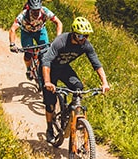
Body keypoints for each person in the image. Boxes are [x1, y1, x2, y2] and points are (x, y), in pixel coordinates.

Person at [40, 16, 111, 144]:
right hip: (49, 69)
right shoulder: (60, 42)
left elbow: (96, 64)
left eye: (86, 36)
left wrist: (104, 82)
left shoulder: (85, 45)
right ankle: (50, 129)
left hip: (63, 68)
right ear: (73, 33)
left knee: (78, 87)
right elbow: (46, 61)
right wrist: (47, 82)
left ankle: (72, 113)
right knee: (50, 102)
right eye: (80, 36)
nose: (83, 39)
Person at [8, 0, 63, 80]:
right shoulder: (23, 15)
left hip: (40, 31)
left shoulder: (45, 11)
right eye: (33, 10)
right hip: (26, 33)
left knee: (46, 52)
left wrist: (58, 38)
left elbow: (59, 23)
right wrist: (12, 44)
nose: (36, 12)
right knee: (28, 53)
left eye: (38, 10)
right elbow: (12, 29)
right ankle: (29, 69)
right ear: (29, 8)